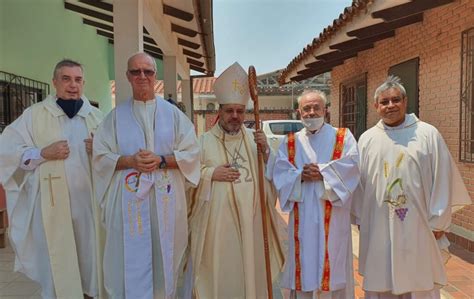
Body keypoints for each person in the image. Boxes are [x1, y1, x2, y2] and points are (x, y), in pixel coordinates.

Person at [92, 52, 200, 298]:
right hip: (128, 201)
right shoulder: (115, 117)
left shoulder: (174, 116)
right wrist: (130, 160)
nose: (142, 76)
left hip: (166, 199)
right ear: (127, 76)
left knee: (164, 256)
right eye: (136, 71)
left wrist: (161, 160)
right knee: (130, 256)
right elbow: (100, 156)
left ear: (155, 76)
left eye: (148, 72)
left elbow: (193, 154)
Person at [353, 76, 472, 299]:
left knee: (419, 282)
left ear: (405, 102)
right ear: (376, 106)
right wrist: (361, 217)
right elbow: (360, 183)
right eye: (384, 102)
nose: (390, 106)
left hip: (419, 225)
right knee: (382, 278)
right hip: (378, 223)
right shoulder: (367, 139)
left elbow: (442, 177)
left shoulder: (427, 134)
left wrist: (438, 220)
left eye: (395, 100)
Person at [0, 59, 104, 298]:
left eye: (78, 79)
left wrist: (101, 151)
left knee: (90, 261)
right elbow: (7, 154)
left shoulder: (97, 118)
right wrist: (42, 153)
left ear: (83, 83)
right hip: (49, 207)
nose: (72, 85)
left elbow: (115, 159)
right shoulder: (33, 115)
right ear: (54, 82)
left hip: (88, 206)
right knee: (57, 262)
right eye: (66, 79)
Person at [188, 62, 285, 298]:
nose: (235, 116)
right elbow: (188, 178)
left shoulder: (256, 140)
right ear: (219, 111)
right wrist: (211, 174)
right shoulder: (202, 142)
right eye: (229, 110)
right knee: (222, 276)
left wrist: (266, 153)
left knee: (252, 276)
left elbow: (276, 175)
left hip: (253, 224)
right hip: (217, 228)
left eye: (240, 111)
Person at [272, 90, 360, 299]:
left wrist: (322, 172)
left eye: (316, 108)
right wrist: (299, 176)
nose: (311, 112)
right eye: (306, 108)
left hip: (333, 215)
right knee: (304, 262)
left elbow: (353, 166)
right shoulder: (290, 141)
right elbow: (280, 172)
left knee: (333, 261)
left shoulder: (342, 136)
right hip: (302, 216)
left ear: (325, 110)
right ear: (299, 112)